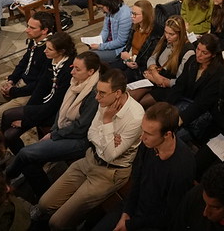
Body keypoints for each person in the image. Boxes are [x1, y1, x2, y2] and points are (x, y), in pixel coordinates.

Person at [36, 68, 145, 230]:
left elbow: (109, 156)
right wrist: (109, 138)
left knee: (56, 223)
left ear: (117, 93)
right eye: (97, 92)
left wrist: (107, 122)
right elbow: (91, 134)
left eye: (102, 93)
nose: (96, 97)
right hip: (89, 158)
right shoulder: (104, 101)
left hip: (109, 173)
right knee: (44, 204)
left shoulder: (136, 116)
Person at [5, 51, 101, 197]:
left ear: (91, 72)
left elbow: (81, 127)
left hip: (80, 140)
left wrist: (54, 134)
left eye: (77, 69)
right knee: (30, 163)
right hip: (64, 130)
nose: (72, 72)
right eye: (72, 67)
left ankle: (6, 178)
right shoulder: (76, 82)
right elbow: (62, 110)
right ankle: (42, 194)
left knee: (26, 153)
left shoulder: (94, 93)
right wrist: (53, 131)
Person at [90, 102, 195, 231]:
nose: (142, 137)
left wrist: (129, 225)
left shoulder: (182, 167)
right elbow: (137, 182)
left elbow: (168, 214)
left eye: (149, 134)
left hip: (153, 223)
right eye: (142, 130)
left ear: (167, 134)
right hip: (133, 208)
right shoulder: (148, 145)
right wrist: (126, 213)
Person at [0, 12, 56, 129]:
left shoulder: (50, 50)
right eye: (28, 26)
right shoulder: (34, 40)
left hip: (31, 92)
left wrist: (13, 91)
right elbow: (23, 62)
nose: (27, 30)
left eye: (32, 28)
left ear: (44, 31)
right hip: (18, 84)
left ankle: (0, 142)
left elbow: (40, 84)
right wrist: (11, 80)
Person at [0, 31, 75, 154]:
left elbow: (55, 104)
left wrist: (26, 121)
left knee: (8, 118)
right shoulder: (52, 61)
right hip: (43, 104)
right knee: (9, 132)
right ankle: (9, 152)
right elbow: (41, 88)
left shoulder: (68, 70)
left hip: (55, 112)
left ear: (61, 51)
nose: (45, 51)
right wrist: (28, 111)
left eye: (49, 49)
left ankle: (18, 156)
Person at [163, 33, 224, 140]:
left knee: (171, 135)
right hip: (185, 103)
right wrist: (165, 105)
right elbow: (180, 86)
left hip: (202, 113)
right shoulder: (192, 60)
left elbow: (202, 103)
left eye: (204, 52)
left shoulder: (219, 74)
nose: (198, 54)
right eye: (198, 49)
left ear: (213, 55)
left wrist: (181, 119)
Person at [133, 15, 194, 107]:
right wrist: (154, 72)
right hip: (155, 76)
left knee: (141, 103)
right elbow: (152, 58)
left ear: (180, 34)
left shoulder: (188, 51)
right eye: (166, 32)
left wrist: (160, 80)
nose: (167, 36)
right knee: (131, 97)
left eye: (171, 34)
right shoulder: (165, 41)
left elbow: (180, 82)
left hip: (168, 87)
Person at [110, 0, 160, 82]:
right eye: (132, 13)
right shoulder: (135, 26)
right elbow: (128, 46)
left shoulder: (154, 35)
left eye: (135, 14)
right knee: (109, 70)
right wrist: (127, 59)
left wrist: (128, 59)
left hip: (139, 67)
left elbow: (146, 60)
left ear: (145, 15)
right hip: (129, 59)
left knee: (119, 79)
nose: (132, 16)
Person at [88, 0, 131, 64]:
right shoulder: (110, 11)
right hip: (109, 43)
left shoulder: (125, 16)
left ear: (109, 4)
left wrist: (100, 47)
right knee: (89, 53)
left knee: (90, 58)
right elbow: (105, 30)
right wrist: (99, 41)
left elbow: (121, 41)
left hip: (119, 50)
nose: (101, 10)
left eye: (101, 7)